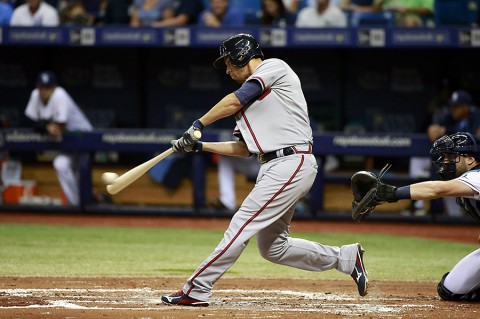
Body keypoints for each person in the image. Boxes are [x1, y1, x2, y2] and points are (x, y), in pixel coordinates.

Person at [161, 33, 368, 307]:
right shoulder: (247, 105)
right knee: (273, 248)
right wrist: (201, 148)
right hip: (275, 166)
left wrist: (199, 124)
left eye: (228, 62)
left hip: (291, 162)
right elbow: (244, 149)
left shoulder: (273, 67)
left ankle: (197, 288)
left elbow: (235, 99)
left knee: (241, 224)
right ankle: (345, 258)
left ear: (242, 55)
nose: (226, 69)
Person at [353, 132, 480, 301]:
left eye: (452, 157)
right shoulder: (466, 186)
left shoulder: (477, 176)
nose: (446, 161)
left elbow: (437, 189)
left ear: (470, 159)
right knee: (449, 289)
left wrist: (393, 193)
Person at [24, 71, 93, 206]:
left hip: (82, 137)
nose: (45, 91)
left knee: (79, 172)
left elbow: (60, 125)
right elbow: (29, 120)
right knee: (61, 164)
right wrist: (46, 126)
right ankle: (75, 204)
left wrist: (47, 126)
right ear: (38, 87)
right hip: (67, 143)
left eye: (48, 87)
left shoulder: (60, 94)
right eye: (42, 87)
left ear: (54, 87)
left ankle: (84, 205)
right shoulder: (35, 95)